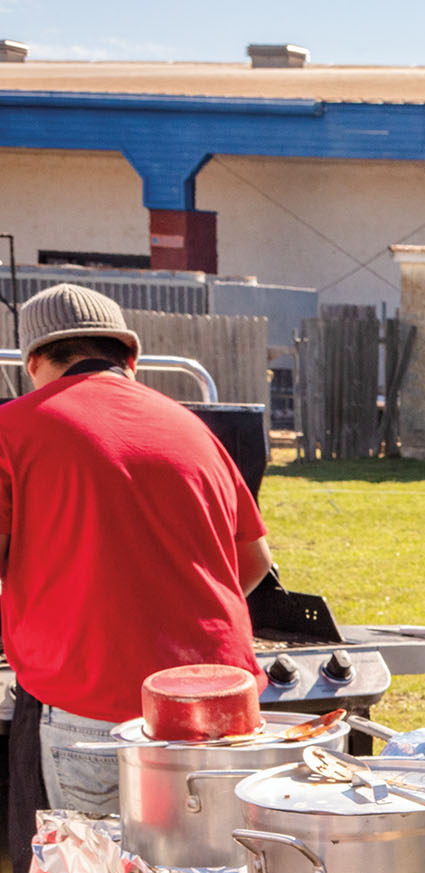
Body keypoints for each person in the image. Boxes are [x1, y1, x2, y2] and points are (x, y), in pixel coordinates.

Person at [0, 284, 273, 826]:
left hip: (93, 707)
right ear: (131, 357)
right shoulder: (192, 427)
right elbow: (255, 560)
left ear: (33, 361)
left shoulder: (14, 427)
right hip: (220, 709)